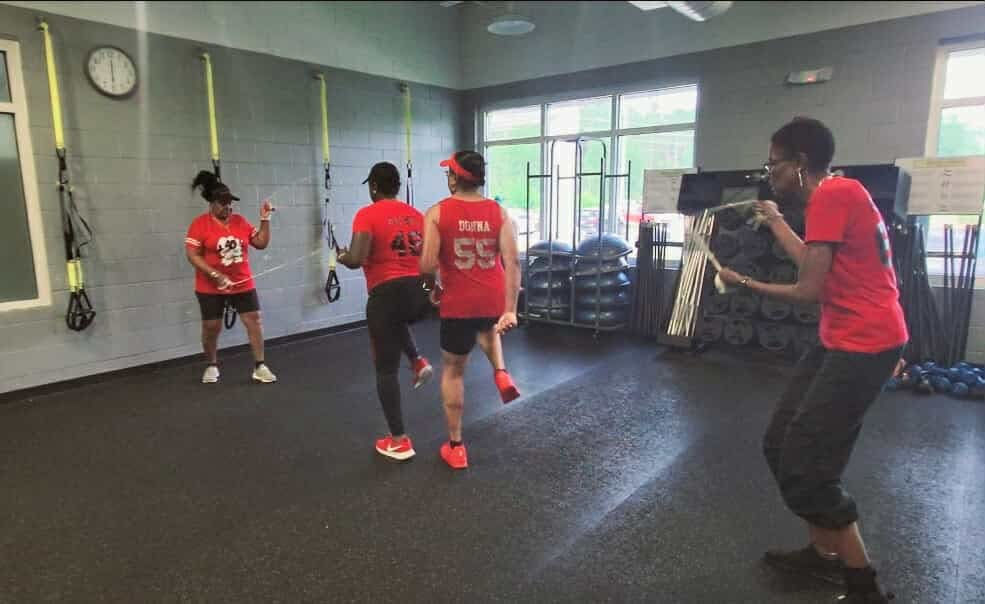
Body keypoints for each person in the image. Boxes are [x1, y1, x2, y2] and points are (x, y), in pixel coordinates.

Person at [719, 118, 907, 603]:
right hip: (841, 337)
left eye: (774, 164)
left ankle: (864, 586)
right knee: (780, 442)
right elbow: (812, 262)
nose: (771, 173)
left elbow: (808, 290)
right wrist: (776, 220)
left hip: (865, 343)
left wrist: (744, 282)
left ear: (800, 163)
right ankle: (823, 551)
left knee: (808, 466)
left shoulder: (832, 196)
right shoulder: (838, 193)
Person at [420, 151, 521, 470]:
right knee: (488, 327)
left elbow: (426, 265)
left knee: (453, 372)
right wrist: (510, 309)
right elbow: (513, 262)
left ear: (455, 178)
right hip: (492, 299)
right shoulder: (499, 212)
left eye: (448, 173)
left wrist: (431, 288)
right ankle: (501, 372)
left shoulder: (437, 213)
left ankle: (456, 447)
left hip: (458, 303)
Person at [338, 162, 434, 461]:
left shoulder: (367, 214)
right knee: (396, 320)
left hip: (387, 294)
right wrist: (429, 290)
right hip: (420, 294)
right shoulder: (416, 215)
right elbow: (429, 258)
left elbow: (357, 259)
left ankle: (399, 440)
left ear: (374, 187)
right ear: (398, 186)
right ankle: (417, 361)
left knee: (386, 369)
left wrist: (342, 256)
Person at [185, 171, 277, 384]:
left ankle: (260, 366)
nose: (228, 207)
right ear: (211, 204)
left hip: (241, 281)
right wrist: (215, 274)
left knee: (254, 319)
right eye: (223, 204)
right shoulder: (200, 224)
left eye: (230, 203)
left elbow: (261, 243)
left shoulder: (240, 222)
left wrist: (265, 219)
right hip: (210, 285)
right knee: (211, 326)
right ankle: (211, 365)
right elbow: (192, 255)